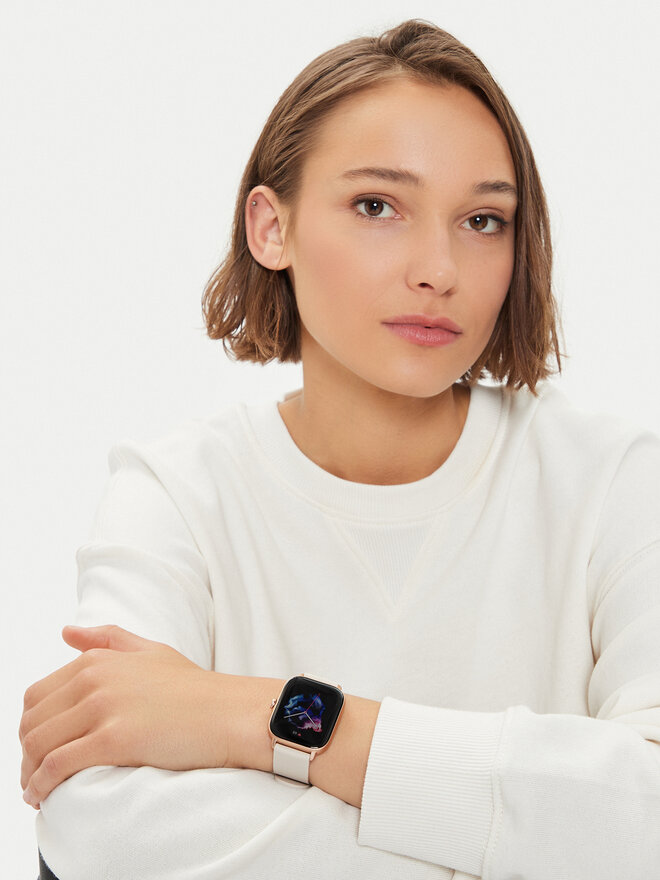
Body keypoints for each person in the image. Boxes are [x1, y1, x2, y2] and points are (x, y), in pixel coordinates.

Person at [19, 18, 660, 880]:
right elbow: (96, 827)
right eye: (376, 206)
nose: (438, 269)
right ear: (269, 227)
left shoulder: (615, 482)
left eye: (482, 220)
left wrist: (258, 717)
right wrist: (535, 832)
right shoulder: (176, 492)